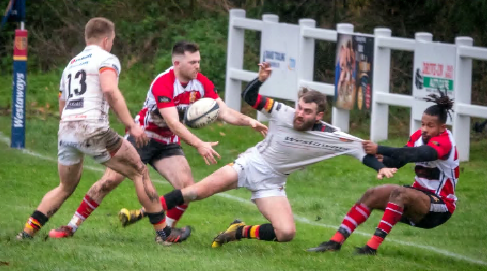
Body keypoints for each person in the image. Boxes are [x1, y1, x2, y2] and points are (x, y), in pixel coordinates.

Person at [118, 62, 397, 248]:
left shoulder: (333, 135)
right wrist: (260, 80)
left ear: (319, 115)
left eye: (307, 111)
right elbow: (252, 98)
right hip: (250, 164)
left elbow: (362, 149)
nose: (300, 113)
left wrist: (379, 168)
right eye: (299, 107)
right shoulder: (282, 111)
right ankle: (142, 212)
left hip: (273, 183)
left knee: (286, 233)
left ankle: (238, 231)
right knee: (195, 192)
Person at [47, 41, 268, 240]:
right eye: (193, 62)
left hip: (167, 144)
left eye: (199, 61)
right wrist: (199, 144)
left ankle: (165, 234)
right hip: (142, 138)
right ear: (177, 63)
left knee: (187, 188)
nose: (198, 66)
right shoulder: (163, 82)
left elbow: (224, 111)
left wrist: (250, 122)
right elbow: (173, 122)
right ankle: (72, 226)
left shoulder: (201, 83)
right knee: (108, 182)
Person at [16, 17, 181, 245]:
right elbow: (110, 90)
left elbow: (63, 102)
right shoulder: (106, 58)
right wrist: (131, 125)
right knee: (139, 171)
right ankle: (164, 234)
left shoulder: (71, 65)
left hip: (66, 129)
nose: (112, 44)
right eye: (112, 40)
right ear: (106, 39)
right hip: (92, 127)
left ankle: (25, 234)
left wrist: (69, 129)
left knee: (64, 187)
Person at [307, 90, 459, 255]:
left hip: (440, 207)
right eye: (422, 124)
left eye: (430, 126)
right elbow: (398, 160)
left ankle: (370, 248)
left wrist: (379, 148)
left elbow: (415, 154)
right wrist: (381, 162)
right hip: (418, 196)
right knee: (372, 194)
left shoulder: (445, 142)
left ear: (442, 127)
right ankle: (335, 242)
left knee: (400, 193)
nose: (424, 129)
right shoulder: (418, 136)